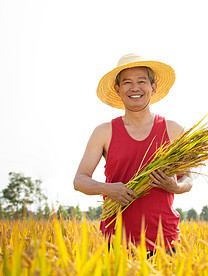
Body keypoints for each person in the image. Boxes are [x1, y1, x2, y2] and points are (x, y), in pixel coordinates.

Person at [73, 53, 192, 254]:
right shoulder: (104, 132)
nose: (134, 87)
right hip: (118, 241)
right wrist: (109, 189)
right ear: (118, 89)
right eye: (127, 82)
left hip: (165, 240)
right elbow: (80, 181)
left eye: (141, 81)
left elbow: (188, 177)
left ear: (153, 88)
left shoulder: (173, 130)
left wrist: (175, 186)